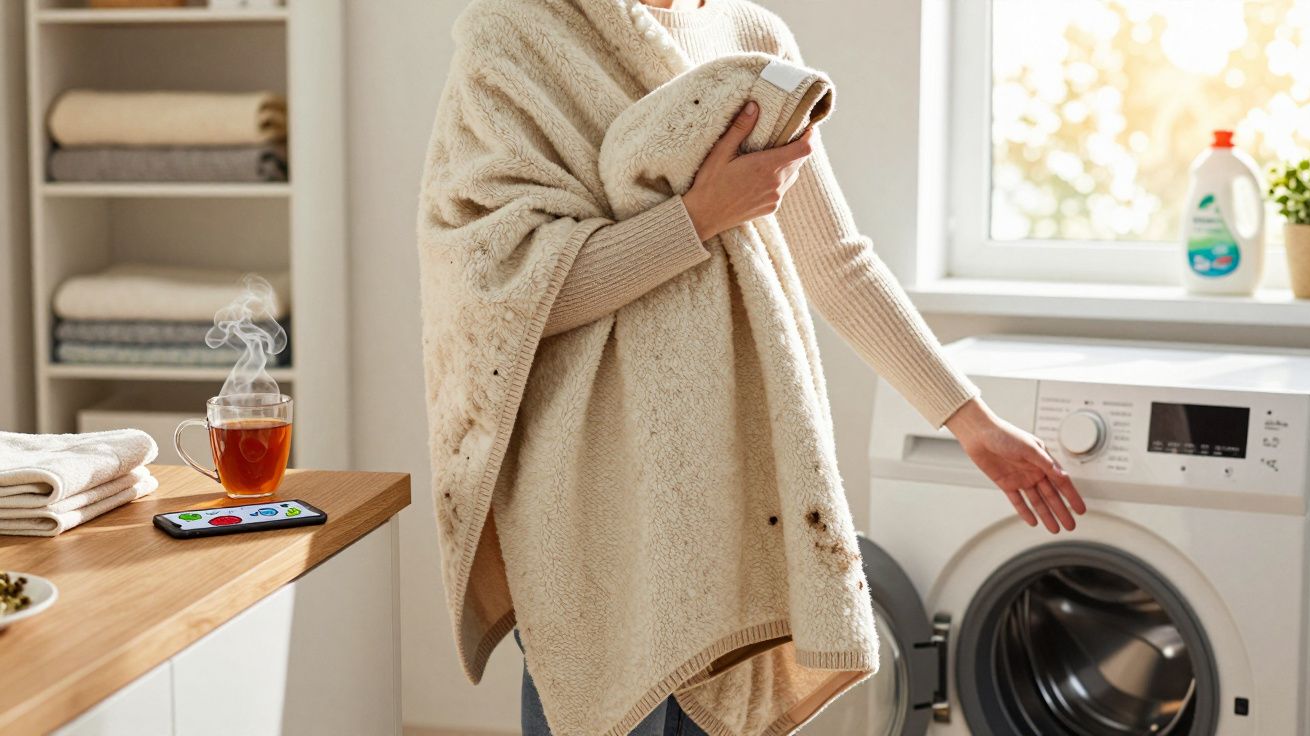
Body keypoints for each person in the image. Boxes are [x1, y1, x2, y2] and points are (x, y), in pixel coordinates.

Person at [419, 1, 1087, 734]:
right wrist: (697, 218)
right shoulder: (516, 33)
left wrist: (971, 421)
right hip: (591, 491)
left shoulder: (754, 38)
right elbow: (499, 291)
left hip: (728, 472)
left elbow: (835, 263)